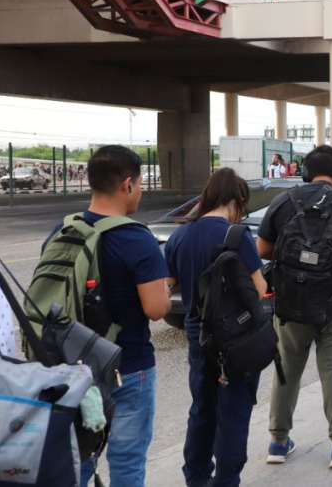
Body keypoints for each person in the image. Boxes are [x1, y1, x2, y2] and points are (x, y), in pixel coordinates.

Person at [46, 146, 171, 486]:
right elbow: (156, 309)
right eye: (140, 184)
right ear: (128, 184)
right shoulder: (136, 237)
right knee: (127, 463)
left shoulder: (61, 232)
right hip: (127, 368)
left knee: (77, 462)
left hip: (70, 370)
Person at [257, 145, 332, 468]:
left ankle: (278, 442)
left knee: (287, 369)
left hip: (291, 299)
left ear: (305, 172)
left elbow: (263, 249)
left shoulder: (283, 201)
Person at [164, 168, 267, 487]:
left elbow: (169, 284)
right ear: (237, 200)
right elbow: (259, 289)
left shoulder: (180, 235)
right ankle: (226, 480)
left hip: (198, 336)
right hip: (235, 340)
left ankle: (196, 477)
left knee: (202, 408)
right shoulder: (236, 236)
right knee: (233, 412)